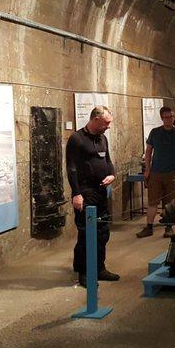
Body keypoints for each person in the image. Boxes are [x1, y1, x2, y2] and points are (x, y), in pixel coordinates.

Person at [66, 106, 119, 286]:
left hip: (101, 191)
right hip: (85, 192)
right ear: (96, 119)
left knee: (103, 232)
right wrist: (76, 193)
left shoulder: (102, 138)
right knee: (87, 233)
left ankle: (99, 268)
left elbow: (108, 161)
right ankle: (84, 273)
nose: (108, 126)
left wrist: (112, 174)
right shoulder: (77, 139)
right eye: (106, 123)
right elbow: (71, 168)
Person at [137, 106, 175, 238]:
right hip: (156, 172)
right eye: (167, 117)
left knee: (170, 202)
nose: (170, 119)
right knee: (153, 201)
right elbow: (148, 151)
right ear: (162, 118)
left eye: (171, 117)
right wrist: (147, 169)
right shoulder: (155, 132)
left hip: (172, 173)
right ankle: (149, 227)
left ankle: (169, 227)